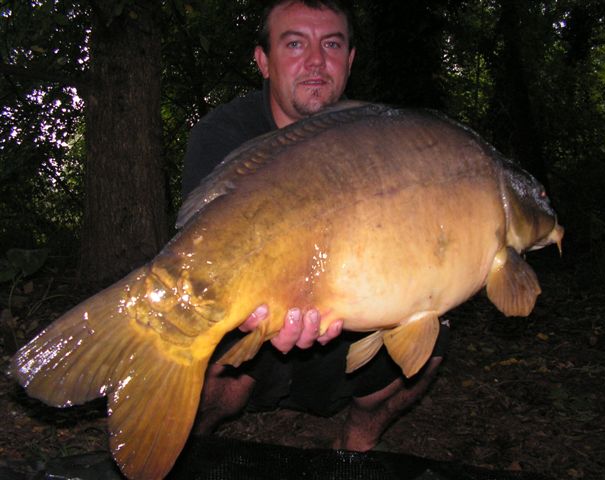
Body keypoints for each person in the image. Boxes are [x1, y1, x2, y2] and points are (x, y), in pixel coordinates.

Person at [182, 0, 449, 451]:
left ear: (349, 60)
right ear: (263, 61)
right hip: (252, 317)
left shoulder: (384, 136)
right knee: (203, 378)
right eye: (294, 44)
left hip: (348, 314)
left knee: (433, 342)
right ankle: (191, 451)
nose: (315, 61)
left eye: (331, 44)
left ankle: (355, 449)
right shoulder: (224, 135)